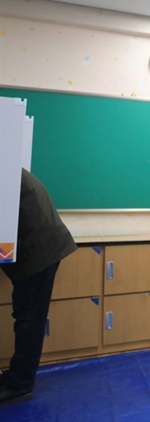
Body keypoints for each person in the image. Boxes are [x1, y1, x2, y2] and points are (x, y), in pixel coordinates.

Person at [0, 169, 77, 405]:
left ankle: (20, 385)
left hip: (39, 250)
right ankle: (17, 377)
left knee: (28, 320)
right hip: (36, 245)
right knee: (26, 318)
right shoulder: (6, 161)